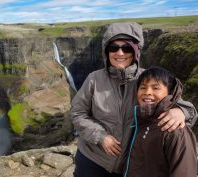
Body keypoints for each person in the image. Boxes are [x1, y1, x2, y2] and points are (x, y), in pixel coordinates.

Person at [71, 22, 197, 177]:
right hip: (92, 159)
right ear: (106, 51)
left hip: (127, 165)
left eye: (127, 48)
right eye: (113, 47)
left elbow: (184, 106)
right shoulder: (94, 79)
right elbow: (77, 113)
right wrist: (100, 136)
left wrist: (181, 111)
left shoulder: (147, 81)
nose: (120, 53)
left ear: (136, 51)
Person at [124, 66, 197, 177]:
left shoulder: (175, 128)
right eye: (143, 87)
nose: (147, 92)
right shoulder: (142, 121)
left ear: (170, 92)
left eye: (156, 88)